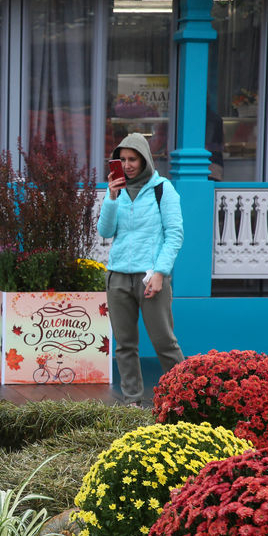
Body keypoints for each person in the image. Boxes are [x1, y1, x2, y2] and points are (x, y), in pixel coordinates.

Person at [97, 132, 184, 408]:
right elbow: (105, 231)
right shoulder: (116, 190)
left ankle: (184, 398)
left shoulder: (162, 189)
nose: (127, 164)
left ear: (145, 159)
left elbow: (175, 234)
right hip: (118, 277)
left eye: (132, 159)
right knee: (124, 346)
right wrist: (111, 198)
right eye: (121, 159)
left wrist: (160, 272)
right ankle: (132, 402)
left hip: (151, 278)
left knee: (165, 343)